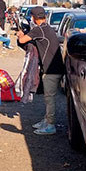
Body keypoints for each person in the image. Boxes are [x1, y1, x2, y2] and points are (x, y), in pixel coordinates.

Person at [17, 7, 65, 135]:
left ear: (33, 17)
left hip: (52, 69)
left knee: (49, 98)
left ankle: (50, 125)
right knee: (47, 96)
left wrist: (20, 34)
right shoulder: (46, 28)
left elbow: (22, 40)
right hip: (52, 68)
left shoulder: (39, 30)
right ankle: (46, 120)